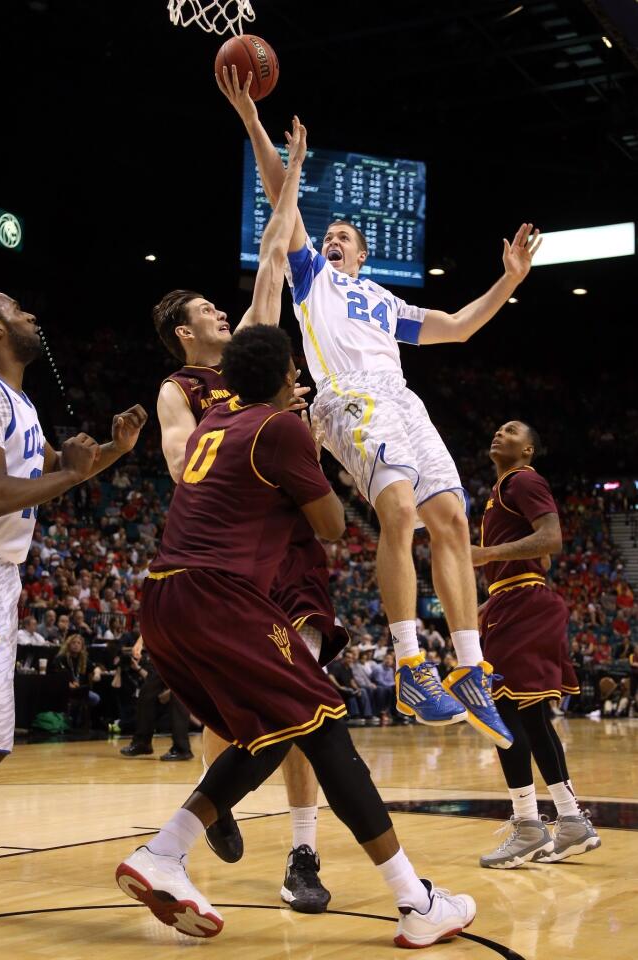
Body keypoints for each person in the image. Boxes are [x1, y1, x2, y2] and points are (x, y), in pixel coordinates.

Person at [115, 321, 476, 949]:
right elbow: (333, 525)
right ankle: (415, 902)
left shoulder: (211, 426)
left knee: (271, 734)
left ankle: (165, 851)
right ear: (288, 377)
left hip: (163, 596)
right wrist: (309, 455)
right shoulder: (279, 428)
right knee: (329, 727)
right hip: (218, 597)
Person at [217, 68, 544, 746]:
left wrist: (508, 282)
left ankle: (469, 666)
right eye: (327, 234)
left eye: (342, 236)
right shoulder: (312, 279)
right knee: (397, 509)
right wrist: (253, 121)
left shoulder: (386, 302)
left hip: (401, 400)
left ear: (363, 255)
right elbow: (281, 195)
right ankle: (407, 661)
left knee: (450, 517)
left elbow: (455, 326)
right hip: (347, 398)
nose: (330, 239)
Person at [151, 119, 345, 912]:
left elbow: (271, 255)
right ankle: (214, 801)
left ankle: (301, 852)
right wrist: (247, 442)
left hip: (287, 553)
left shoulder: (253, 375)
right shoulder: (184, 393)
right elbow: (177, 466)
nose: (225, 315)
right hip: (226, 557)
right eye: (208, 310)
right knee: (231, 708)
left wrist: (289, 170)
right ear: (182, 334)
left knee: (303, 691)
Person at [0, 290, 147, 768]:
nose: (32, 314)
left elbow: (63, 468)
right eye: (18, 310)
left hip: (5, 574)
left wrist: (115, 449)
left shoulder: (22, 404)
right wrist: (71, 474)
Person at [471, 420, 600, 868]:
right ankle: (570, 820)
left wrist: (485, 555)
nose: (498, 433)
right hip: (517, 601)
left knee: (502, 713)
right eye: (498, 429)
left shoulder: (522, 479)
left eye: (510, 431)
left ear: (528, 450)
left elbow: (551, 540)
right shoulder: (501, 492)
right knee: (530, 716)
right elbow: (538, 552)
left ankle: (527, 824)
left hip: (523, 602)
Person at [120, 634, 193, 761]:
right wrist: (140, 642)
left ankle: (182, 748)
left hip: (187, 651)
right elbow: (154, 619)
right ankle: (142, 742)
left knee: (179, 699)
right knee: (147, 692)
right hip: (168, 653)